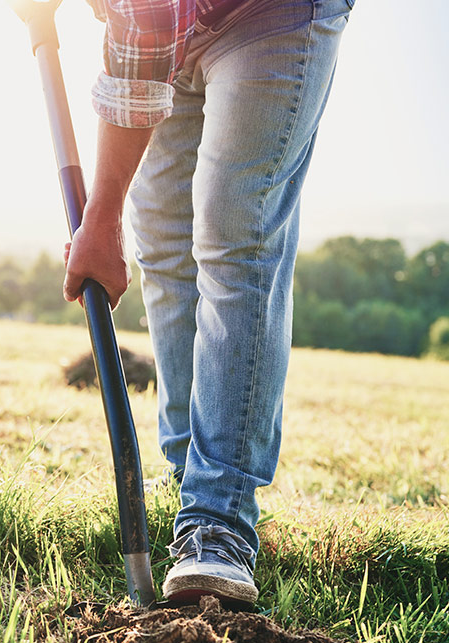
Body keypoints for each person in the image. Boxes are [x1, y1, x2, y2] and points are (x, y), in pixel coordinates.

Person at [62, 0, 352, 604]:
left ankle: (218, 521)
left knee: (231, 236)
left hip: (274, 13)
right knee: (164, 245)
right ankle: (186, 483)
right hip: (172, 27)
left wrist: (101, 216)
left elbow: (145, 26)